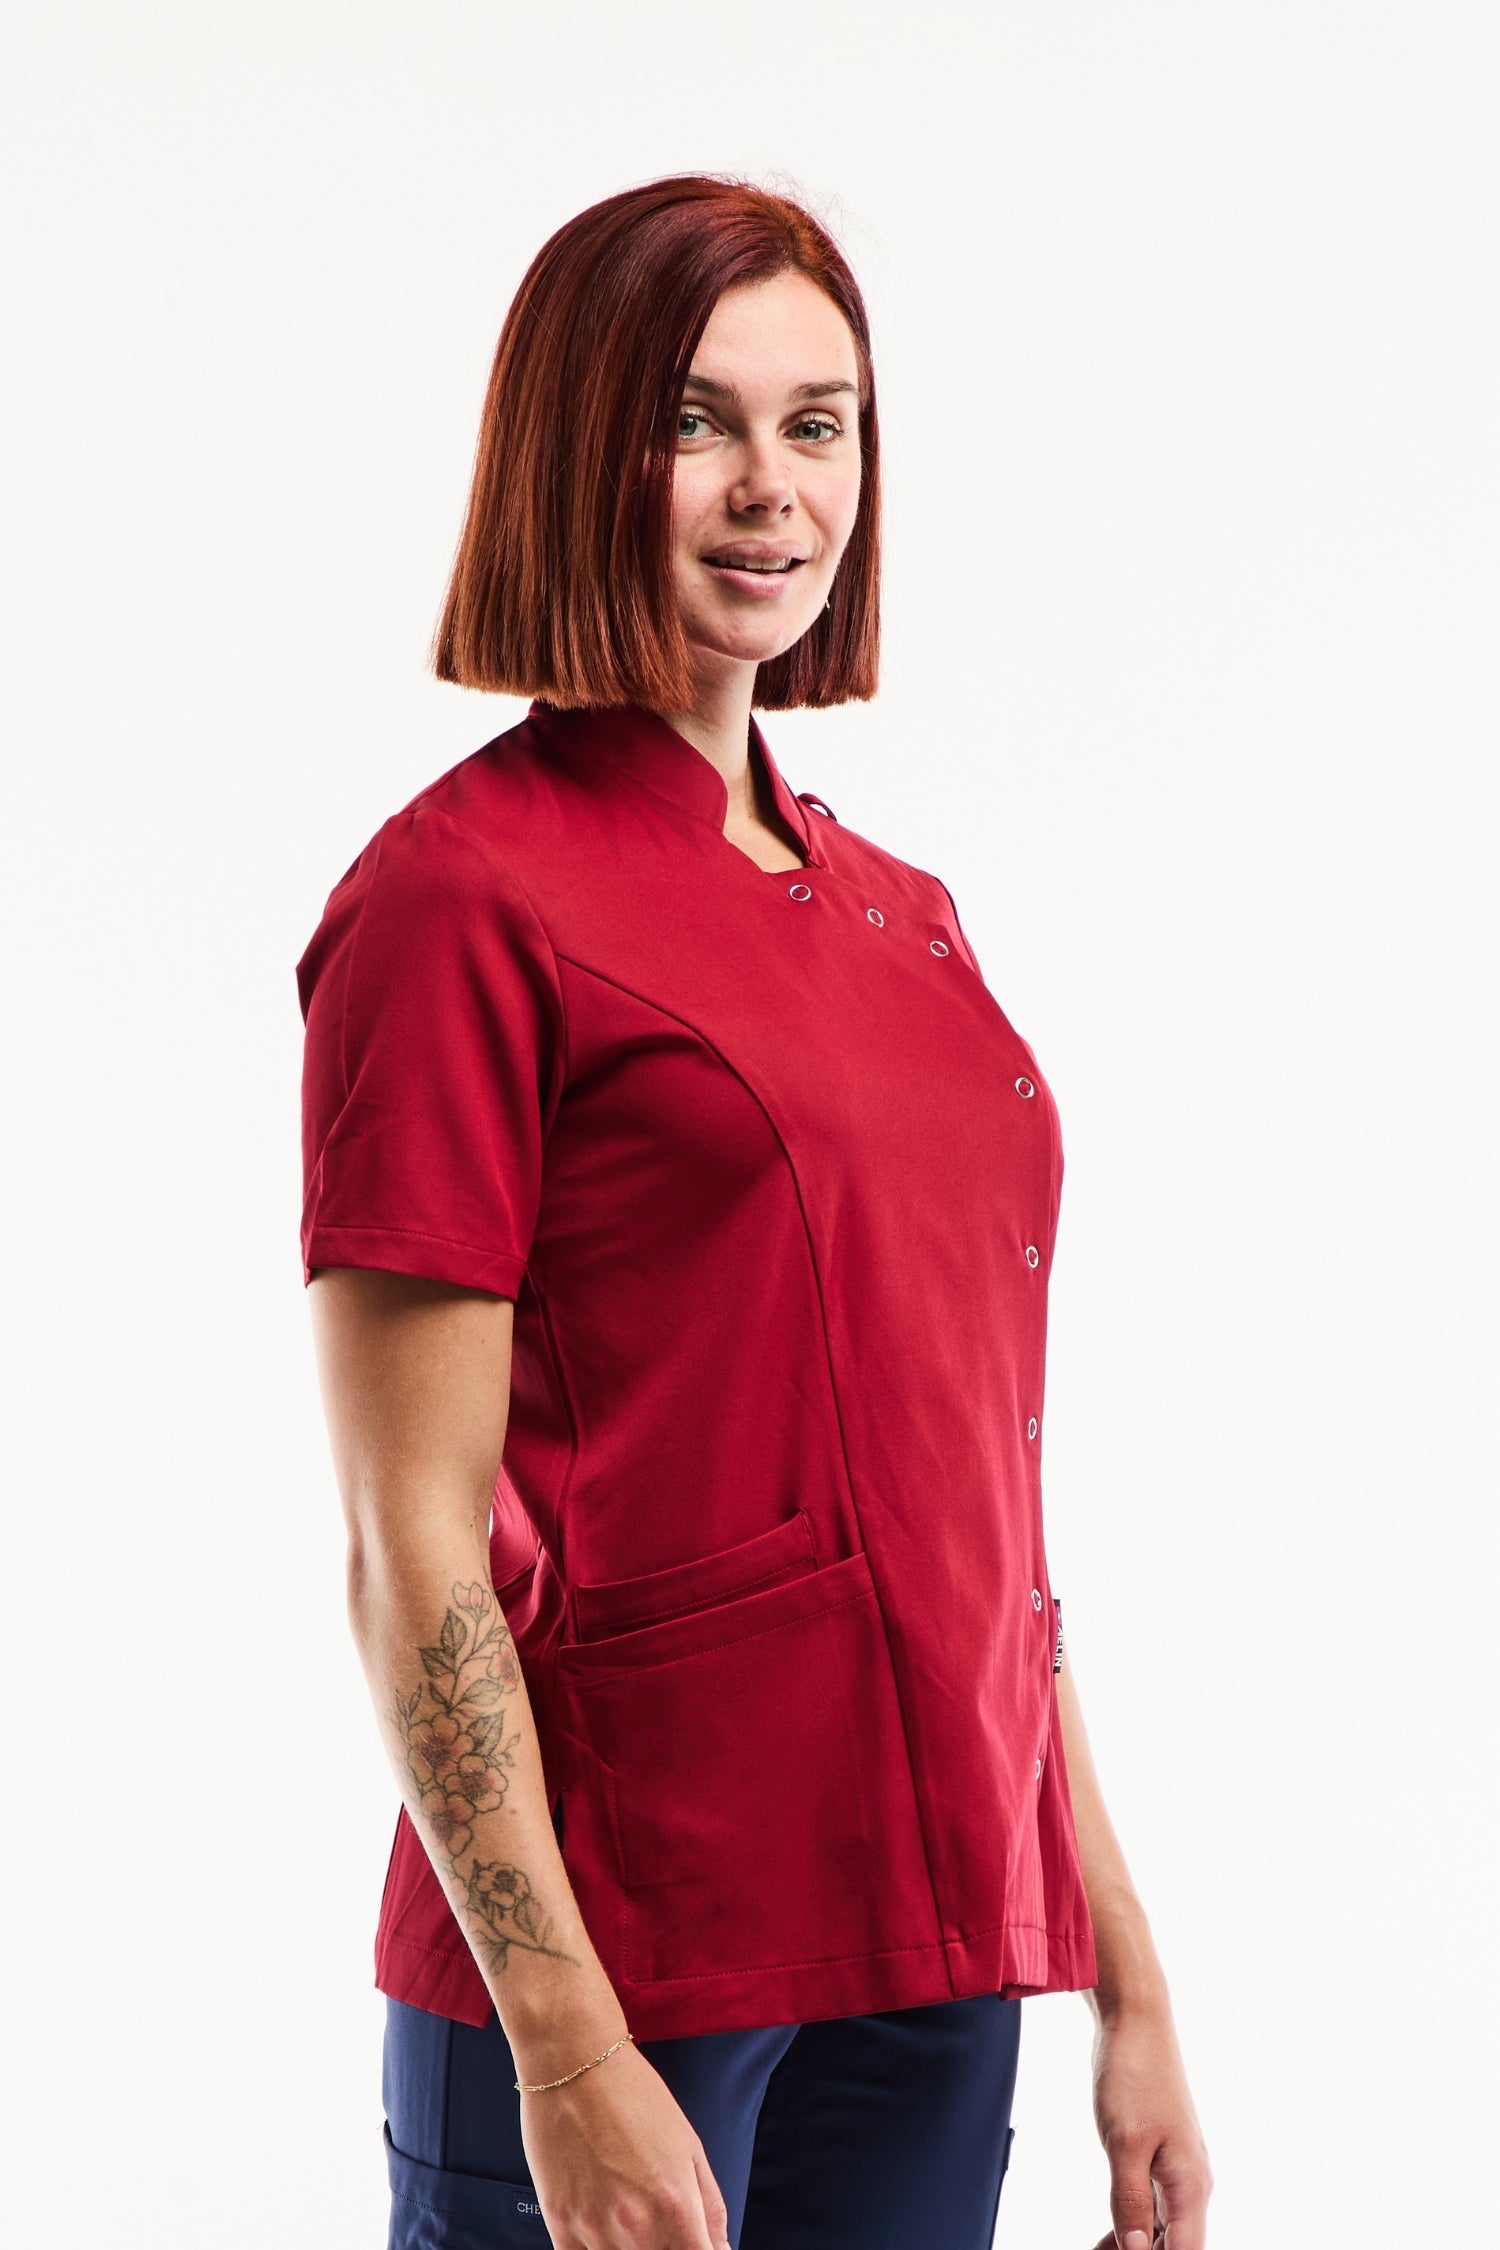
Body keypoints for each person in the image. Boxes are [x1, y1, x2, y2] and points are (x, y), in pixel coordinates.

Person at [297, 173, 1213, 2250]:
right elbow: (408, 1536)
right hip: (630, 1948)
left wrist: (1122, 1965)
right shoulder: (457, 905)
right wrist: (562, 2049)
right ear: (573, 450)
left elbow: (977, 1509)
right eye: (693, 419)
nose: (769, 486)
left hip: (932, 1936)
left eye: (820, 423)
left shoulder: (906, 917)